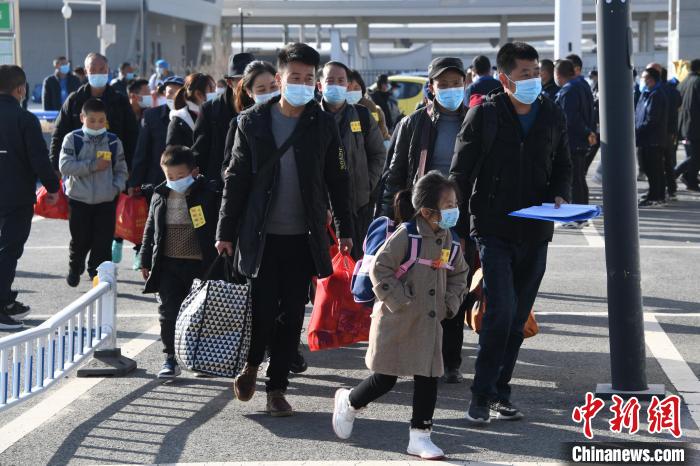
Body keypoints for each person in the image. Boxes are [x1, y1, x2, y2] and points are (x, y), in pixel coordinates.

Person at [216, 42, 354, 416]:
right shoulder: (252, 122)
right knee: (262, 311)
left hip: (304, 235)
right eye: (295, 77)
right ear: (279, 79)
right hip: (261, 235)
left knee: (292, 313)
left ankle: (276, 388)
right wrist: (224, 232)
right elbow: (236, 179)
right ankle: (250, 365)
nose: (303, 84)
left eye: (309, 78)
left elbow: (338, 178)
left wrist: (344, 227)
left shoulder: (322, 122)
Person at [450, 42, 571, 425]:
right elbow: (460, 172)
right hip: (492, 229)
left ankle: (501, 390)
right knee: (499, 313)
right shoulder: (483, 116)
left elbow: (564, 164)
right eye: (525, 74)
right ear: (504, 79)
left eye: (536, 72)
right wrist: (457, 228)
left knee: (518, 319)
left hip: (536, 231)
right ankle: (481, 395)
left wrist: (560, 193)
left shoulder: (551, 113)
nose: (534, 79)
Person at [331, 172, 468, 460]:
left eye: (456, 203)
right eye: (449, 205)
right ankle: (349, 402)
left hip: (430, 323)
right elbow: (379, 269)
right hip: (396, 320)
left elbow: (459, 273)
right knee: (385, 378)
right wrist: (400, 300)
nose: (455, 210)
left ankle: (420, 436)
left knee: (428, 376)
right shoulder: (406, 235)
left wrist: (449, 304)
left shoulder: (450, 241)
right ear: (428, 211)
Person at [49, 53, 139, 266]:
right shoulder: (74, 100)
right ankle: (76, 260)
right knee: (81, 234)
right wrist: (55, 168)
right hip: (79, 184)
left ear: (108, 70)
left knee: (104, 234)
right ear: (86, 72)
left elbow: (133, 136)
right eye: (94, 69)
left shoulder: (119, 100)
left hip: (109, 183)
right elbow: (58, 134)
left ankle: (97, 272)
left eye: (102, 69)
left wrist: (125, 179)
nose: (98, 73)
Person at [140, 145, 220, 379]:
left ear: (194, 172)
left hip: (200, 264)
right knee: (169, 312)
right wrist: (145, 259)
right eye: (170, 177)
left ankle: (202, 358)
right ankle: (170, 358)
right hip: (168, 264)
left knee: (202, 314)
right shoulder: (160, 194)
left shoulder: (208, 192)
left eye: (180, 176)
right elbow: (150, 229)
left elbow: (215, 224)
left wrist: (194, 194)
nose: (174, 181)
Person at [0, 65, 60, 329]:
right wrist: (53, 188)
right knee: (9, 250)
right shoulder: (24, 119)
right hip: (16, 196)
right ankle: (2, 305)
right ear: (21, 89)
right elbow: (39, 158)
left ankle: (7, 298)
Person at [381, 57, 467, 219]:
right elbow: (394, 176)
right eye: (443, 84)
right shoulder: (412, 123)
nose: (451, 89)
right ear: (431, 88)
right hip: (425, 213)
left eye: (456, 83)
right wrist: (386, 218)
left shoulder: (474, 120)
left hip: (464, 212)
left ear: (465, 84)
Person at [318, 60, 386, 260]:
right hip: (323, 211)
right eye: (330, 81)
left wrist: (367, 184)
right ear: (320, 85)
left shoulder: (362, 116)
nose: (336, 85)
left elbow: (378, 154)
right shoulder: (311, 118)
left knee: (357, 266)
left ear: (348, 85)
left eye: (341, 81)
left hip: (359, 207)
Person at [59, 98, 128, 286]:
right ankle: (75, 265)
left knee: (103, 241)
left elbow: (122, 170)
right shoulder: (73, 139)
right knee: (80, 239)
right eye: (92, 120)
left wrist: (115, 188)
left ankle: (97, 277)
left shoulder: (113, 141)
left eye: (101, 120)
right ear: (82, 118)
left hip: (106, 200)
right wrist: (93, 166)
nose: (97, 124)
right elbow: (65, 166)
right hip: (78, 199)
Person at [192, 53, 253, 188]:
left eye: (251, 80)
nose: (246, 85)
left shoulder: (264, 108)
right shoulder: (210, 110)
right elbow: (200, 152)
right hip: (218, 188)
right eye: (241, 80)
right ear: (230, 82)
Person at [129, 76, 184, 197]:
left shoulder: (191, 117)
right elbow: (142, 152)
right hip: (156, 183)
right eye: (170, 92)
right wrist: (134, 183)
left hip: (183, 183)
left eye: (179, 92)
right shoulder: (151, 115)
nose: (174, 96)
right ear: (164, 93)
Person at [555, 59, 594, 227]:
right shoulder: (583, 86)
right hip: (581, 139)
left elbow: (569, 118)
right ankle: (582, 215)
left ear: (558, 75)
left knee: (574, 181)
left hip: (572, 140)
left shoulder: (568, 90)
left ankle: (577, 217)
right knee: (579, 179)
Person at [646, 63, 681, 200]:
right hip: (670, 131)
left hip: (658, 131)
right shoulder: (672, 90)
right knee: (668, 161)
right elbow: (678, 105)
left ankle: (658, 192)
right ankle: (671, 189)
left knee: (656, 164)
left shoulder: (657, 91)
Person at [636, 67, 669, 207]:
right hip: (646, 139)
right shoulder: (647, 93)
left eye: (645, 78)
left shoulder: (656, 94)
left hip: (653, 139)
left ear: (652, 79)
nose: (643, 80)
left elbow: (652, 119)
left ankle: (656, 196)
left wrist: (636, 129)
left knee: (654, 170)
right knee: (650, 169)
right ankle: (654, 194)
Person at [166, 73, 215, 148]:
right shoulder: (179, 120)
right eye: (211, 91)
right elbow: (173, 153)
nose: (216, 94)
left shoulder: (215, 115)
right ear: (198, 94)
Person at [347, 69, 391, 144]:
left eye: (356, 88)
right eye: (347, 88)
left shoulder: (371, 107)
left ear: (361, 89)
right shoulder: (336, 110)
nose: (351, 92)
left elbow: (377, 133)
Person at [676, 58, 700, 192]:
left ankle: (690, 179)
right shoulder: (698, 82)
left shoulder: (682, 83)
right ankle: (674, 174)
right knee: (695, 156)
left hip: (684, 125)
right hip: (695, 126)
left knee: (694, 155)